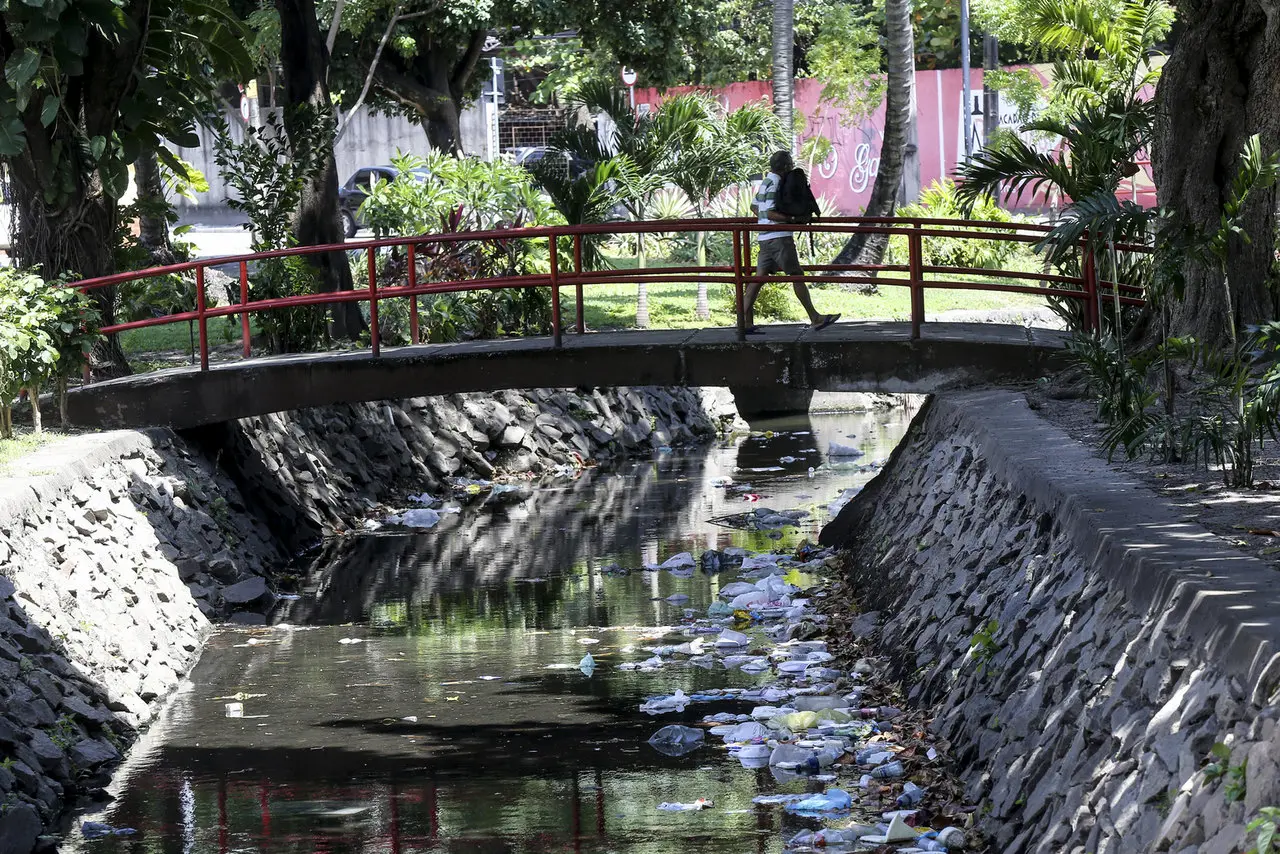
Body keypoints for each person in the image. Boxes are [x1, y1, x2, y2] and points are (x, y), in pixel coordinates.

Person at [744, 150, 839, 334]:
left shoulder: (766, 181)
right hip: (779, 237)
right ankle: (815, 318)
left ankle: (743, 323)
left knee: (756, 280)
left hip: (764, 237)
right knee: (796, 275)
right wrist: (793, 219)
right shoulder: (777, 183)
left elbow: (755, 207)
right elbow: (771, 212)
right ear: (786, 166)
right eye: (790, 164)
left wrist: (765, 221)